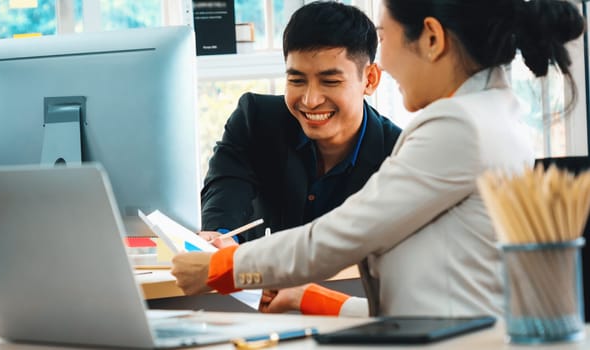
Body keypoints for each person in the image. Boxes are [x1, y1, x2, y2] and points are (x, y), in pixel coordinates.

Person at [173, 0, 585, 318]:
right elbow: (438, 301)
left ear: (431, 38)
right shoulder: (497, 112)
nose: (383, 61)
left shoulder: (458, 125)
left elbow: (341, 235)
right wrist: (315, 299)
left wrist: (220, 267)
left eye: (384, 37)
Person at [199, 1, 401, 244]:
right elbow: (226, 185)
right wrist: (220, 236)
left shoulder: (398, 156)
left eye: (330, 82)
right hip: (259, 280)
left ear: (370, 79)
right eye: (297, 80)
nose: (310, 100)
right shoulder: (255, 119)